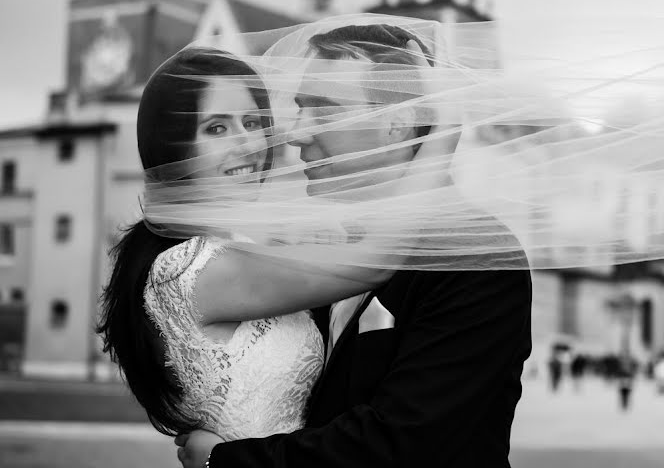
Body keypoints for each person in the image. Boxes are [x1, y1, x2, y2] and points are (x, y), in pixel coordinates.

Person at [175, 24, 533, 468]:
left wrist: (226, 461)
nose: (295, 134)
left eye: (322, 111)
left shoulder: (478, 253)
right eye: (300, 108)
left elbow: (405, 444)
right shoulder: (334, 253)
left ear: (396, 121)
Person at [97, 47, 415, 439]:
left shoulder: (239, 251)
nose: (248, 144)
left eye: (252, 122)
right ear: (173, 148)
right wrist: (441, 135)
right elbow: (376, 264)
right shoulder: (190, 269)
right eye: (217, 128)